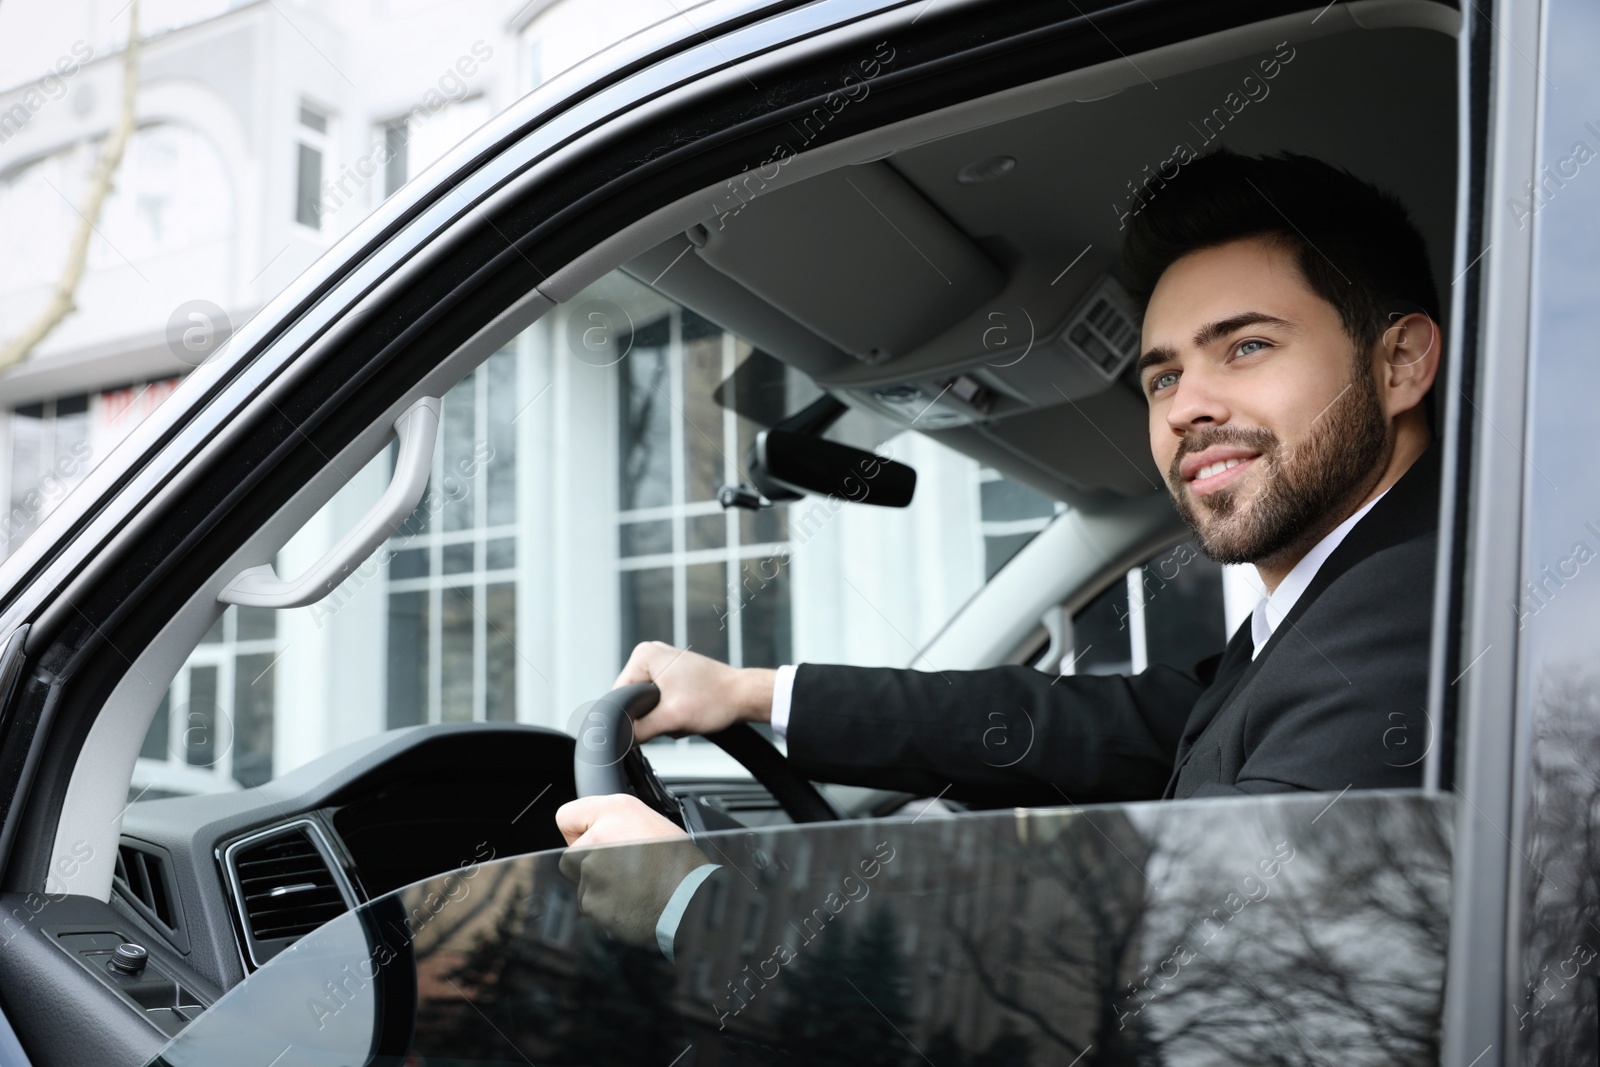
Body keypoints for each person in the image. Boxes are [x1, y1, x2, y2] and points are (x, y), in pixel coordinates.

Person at [555, 148, 1444, 956]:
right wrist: (750, 692)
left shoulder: (1408, 618)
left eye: (1247, 346)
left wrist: (696, 902)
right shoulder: (1328, 612)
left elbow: (1182, 954)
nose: (1184, 407)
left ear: (1399, 362)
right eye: (1163, 375)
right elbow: (1107, 728)